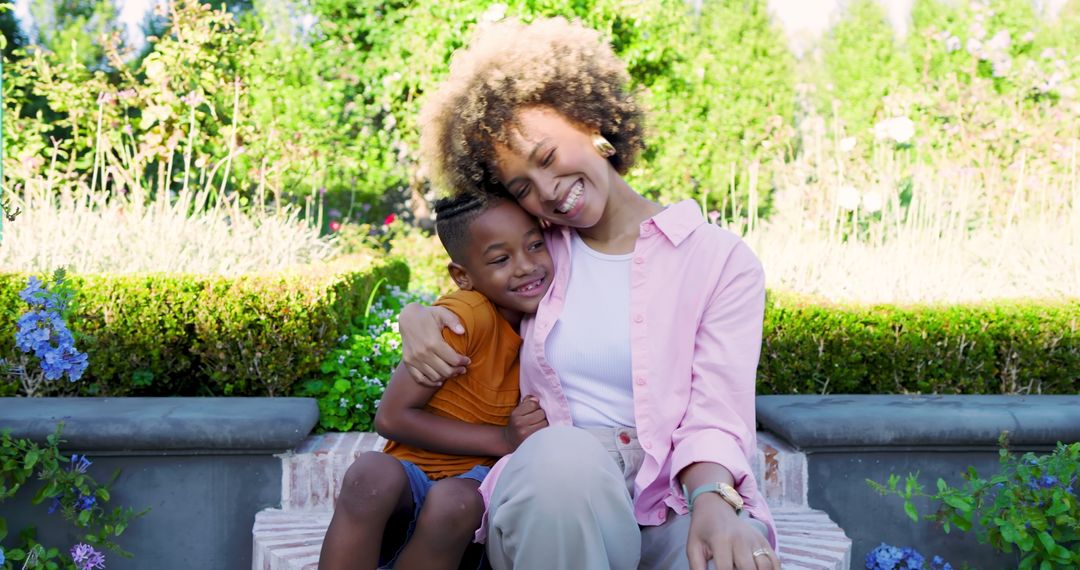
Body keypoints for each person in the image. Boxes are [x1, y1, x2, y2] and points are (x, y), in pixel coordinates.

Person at [398, 16, 780, 570]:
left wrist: (713, 500)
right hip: (556, 497)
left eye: (549, 158)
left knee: (731, 555)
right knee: (561, 461)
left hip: (675, 491)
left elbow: (715, 414)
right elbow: (468, 298)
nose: (549, 193)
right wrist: (418, 315)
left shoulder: (720, 261)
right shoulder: (537, 256)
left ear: (592, 122)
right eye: (522, 187)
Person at [318, 193, 552, 570]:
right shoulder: (464, 318)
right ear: (463, 276)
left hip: (472, 493)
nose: (526, 266)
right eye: (500, 259)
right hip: (410, 479)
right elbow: (392, 418)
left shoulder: (548, 312)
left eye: (536, 245)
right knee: (368, 474)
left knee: (453, 501)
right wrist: (503, 439)